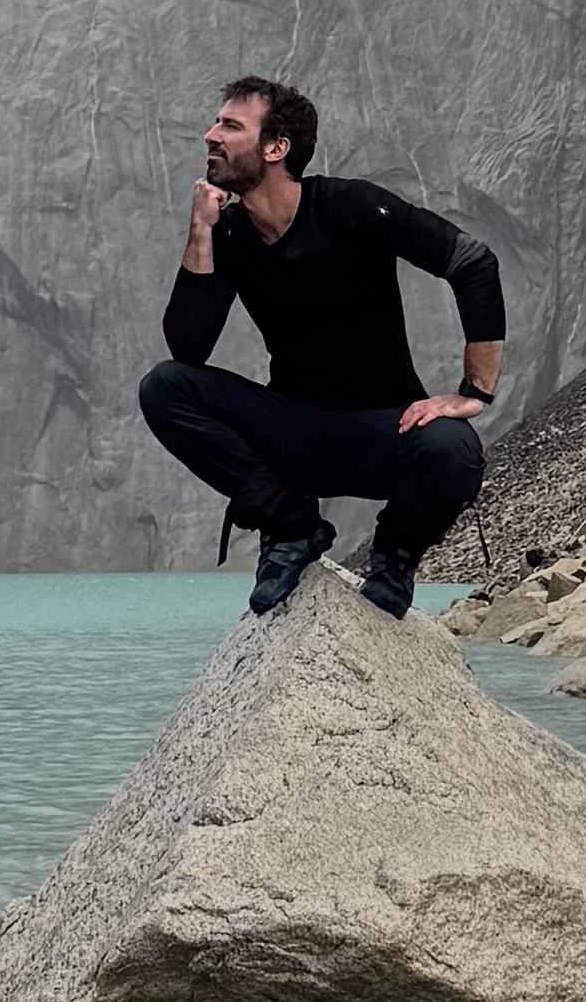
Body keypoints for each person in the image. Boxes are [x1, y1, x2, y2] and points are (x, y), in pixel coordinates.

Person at [140, 73, 504, 617]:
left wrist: (474, 392)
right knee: (165, 388)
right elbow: (188, 349)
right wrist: (201, 232)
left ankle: (394, 558)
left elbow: (472, 263)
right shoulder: (230, 234)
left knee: (453, 450)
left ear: (275, 148)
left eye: (230, 125)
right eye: (216, 122)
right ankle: (291, 528)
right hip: (294, 433)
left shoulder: (349, 206)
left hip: (385, 430)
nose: (210, 135)